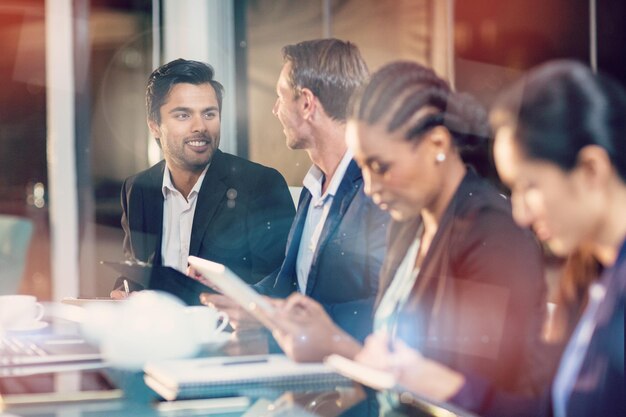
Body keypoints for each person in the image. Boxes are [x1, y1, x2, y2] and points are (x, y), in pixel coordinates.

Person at [353, 61, 625, 417]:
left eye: (530, 186)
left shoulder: (494, 234)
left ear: (591, 170)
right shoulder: (593, 277)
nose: (521, 215)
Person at [269, 61, 548, 401]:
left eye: (381, 167)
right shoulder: (409, 224)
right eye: (363, 166)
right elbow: (388, 366)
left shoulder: (491, 235)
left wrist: (336, 345)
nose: (369, 188)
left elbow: (470, 395)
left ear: (437, 145)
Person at [200, 39, 389, 341]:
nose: (275, 110)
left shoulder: (378, 190)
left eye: (280, 97)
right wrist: (239, 297)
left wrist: (276, 319)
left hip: (347, 371)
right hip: (298, 360)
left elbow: (385, 306)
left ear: (306, 103)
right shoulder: (313, 187)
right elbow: (288, 281)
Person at [113, 59, 294, 298]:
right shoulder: (137, 189)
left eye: (209, 113)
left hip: (227, 331)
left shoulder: (260, 185)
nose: (200, 126)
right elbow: (136, 273)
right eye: (183, 115)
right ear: (154, 126)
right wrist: (123, 291)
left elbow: (281, 285)